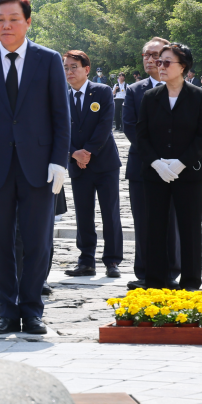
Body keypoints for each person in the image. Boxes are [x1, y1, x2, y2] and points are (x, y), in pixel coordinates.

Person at [0, 0, 70, 336]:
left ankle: (32, 309)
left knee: (38, 241)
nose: (5, 26)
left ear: (27, 21)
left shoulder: (48, 59)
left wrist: (59, 161)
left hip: (39, 165)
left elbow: (60, 115)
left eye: (12, 19)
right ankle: (7, 310)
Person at [136, 43, 202, 291]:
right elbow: (142, 136)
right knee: (155, 227)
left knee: (190, 228)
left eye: (167, 62)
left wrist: (180, 163)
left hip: (188, 173)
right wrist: (156, 163)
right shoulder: (150, 97)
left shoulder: (199, 96)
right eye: (159, 62)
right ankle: (155, 283)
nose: (161, 66)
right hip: (155, 173)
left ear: (183, 67)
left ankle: (190, 283)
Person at [122, 37, 180, 289]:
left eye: (154, 54)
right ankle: (144, 272)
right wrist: (155, 159)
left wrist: (172, 158)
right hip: (143, 166)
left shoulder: (180, 88)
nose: (149, 58)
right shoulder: (135, 90)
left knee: (171, 220)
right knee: (144, 221)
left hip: (175, 167)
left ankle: (170, 272)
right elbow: (130, 128)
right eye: (145, 54)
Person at [63, 49, 123, 278]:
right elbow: (58, 129)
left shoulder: (102, 91)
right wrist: (73, 153)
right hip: (77, 164)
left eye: (74, 67)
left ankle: (112, 260)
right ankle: (86, 260)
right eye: (66, 67)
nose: (69, 71)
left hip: (104, 162)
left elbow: (105, 125)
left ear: (87, 69)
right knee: (83, 214)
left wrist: (87, 152)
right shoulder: (61, 95)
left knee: (110, 212)